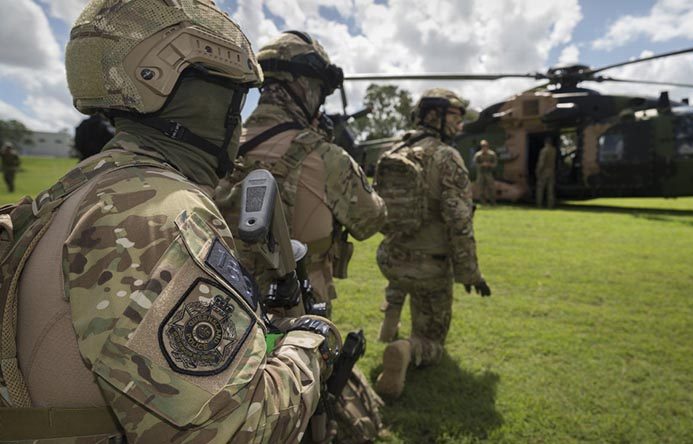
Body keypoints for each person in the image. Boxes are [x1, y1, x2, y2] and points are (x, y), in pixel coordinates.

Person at [0, 1, 340, 442]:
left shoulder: (76, 189)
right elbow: (238, 430)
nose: (239, 126)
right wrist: (311, 341)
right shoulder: (157, 216)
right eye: (233, 103)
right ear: (164, 85)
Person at [231, 31, 386, 316]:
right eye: (320, 91)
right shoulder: (326, 157)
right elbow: (371, 219)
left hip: (226, 302)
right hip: (298, 316)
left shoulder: (221, 147)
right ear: (304, 87)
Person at [373, 88, 491, 399]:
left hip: (389, 259)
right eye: (456, 116)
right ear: (436, 116)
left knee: (403, 275)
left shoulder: (394, 151)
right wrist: (471, 274)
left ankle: (387, 327)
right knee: (434, 342)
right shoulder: (447, 157)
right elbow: (459, 222)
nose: (460, 125)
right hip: (429, 268)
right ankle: (407, 348)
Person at [472, 139, 498, 205]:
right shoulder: (478, 155)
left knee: (491, 188)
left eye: (485, 145)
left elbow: (495, 164)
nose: (484, 147)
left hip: (489, 173)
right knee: (480, 189)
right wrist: (481, 165)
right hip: (480, 173)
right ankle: (483, 203)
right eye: (483, 146)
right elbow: (474, 163)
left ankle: (493, 202)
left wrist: (489, 165)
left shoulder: (492, 154)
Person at [536, 137, 557, 208]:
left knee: (540, 189)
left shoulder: (544, 150)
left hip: (544, 172)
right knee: (550, 189)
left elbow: (541, 162)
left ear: (545, 142)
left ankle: (539, 204)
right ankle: (550, 205)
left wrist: (538, 171)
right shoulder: (554, 150)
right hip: (552, 171)